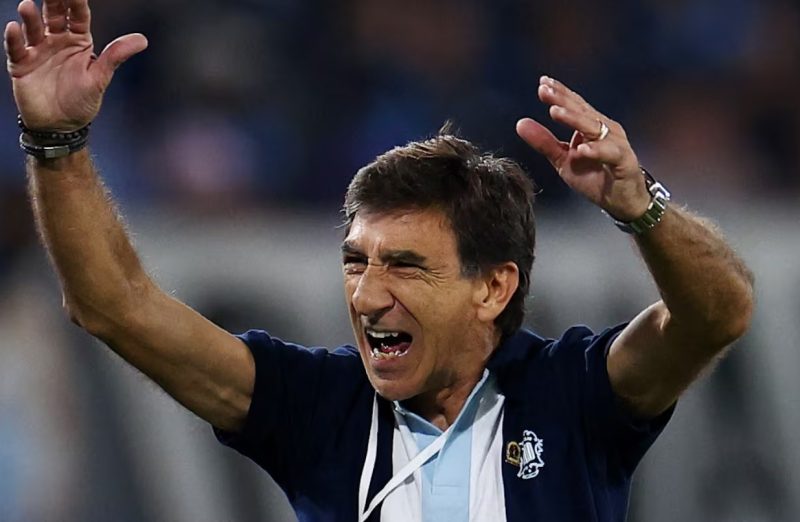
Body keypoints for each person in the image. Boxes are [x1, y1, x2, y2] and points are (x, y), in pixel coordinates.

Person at [4, 1, 754, 521]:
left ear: (493, 288)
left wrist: (640, 205)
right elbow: (114, 304)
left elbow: (719, 313)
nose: (366, 295)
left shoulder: (574, 395)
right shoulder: (318, 407)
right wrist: (57, 142)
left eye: (405, 266)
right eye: (356, 262)